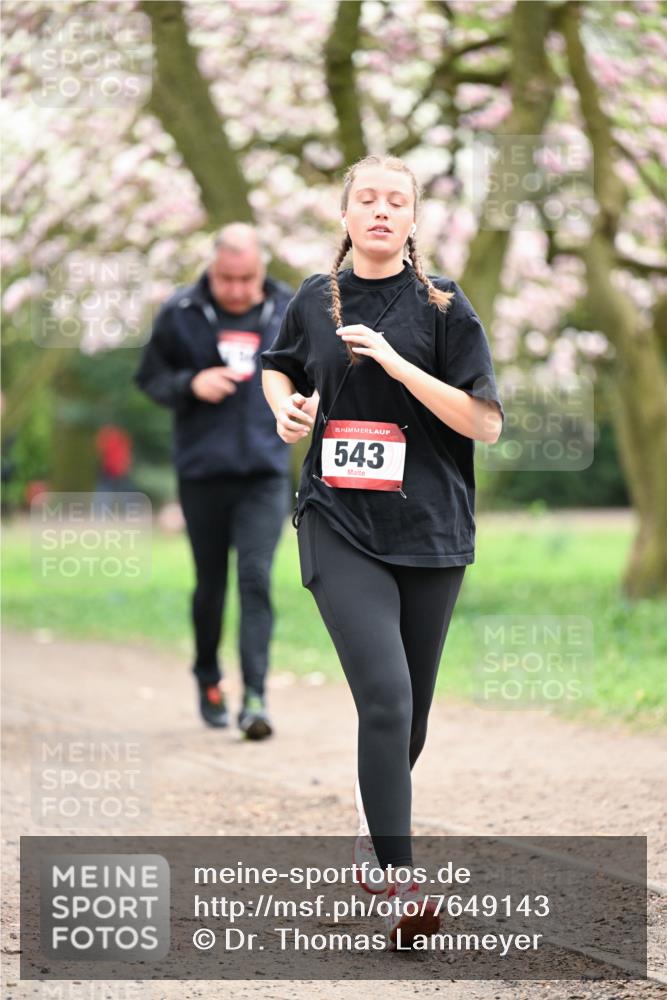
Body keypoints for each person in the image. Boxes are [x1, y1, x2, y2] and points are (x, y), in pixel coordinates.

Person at [260, 155, 504, 946]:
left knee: (411, 721)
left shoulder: (441, 306)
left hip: (429, 528)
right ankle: (401, 882)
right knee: (386, 697)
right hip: (337, 521)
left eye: (394, 201)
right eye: (365, 198)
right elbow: (279, 367)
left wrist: (398, 364)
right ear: (345, 214)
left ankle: (373, 834)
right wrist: (288, 412)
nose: (379, 210)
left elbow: (483, 422)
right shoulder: (312, 297)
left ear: (410, 220)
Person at [135, 224, 296, 739]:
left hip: (265, 474)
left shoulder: (289, 310)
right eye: (227, 278)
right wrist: (190, 383)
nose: (237, 289)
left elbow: (316, 371)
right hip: (203, 473)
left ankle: (255, 697)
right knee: (211, 585)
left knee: (255, 579)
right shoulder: (181, 311)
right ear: (212, 268)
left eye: (247, 278)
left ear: (261, 268)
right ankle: (207, 675)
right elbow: (149, 377)